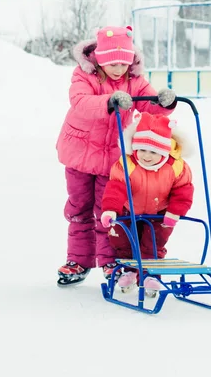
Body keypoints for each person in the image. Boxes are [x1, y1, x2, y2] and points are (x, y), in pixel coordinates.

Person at [56, 25, 177, 286]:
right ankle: (79, 259)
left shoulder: (135, 80)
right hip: (79, 154)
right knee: (79, 209)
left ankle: (111, 260)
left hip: (112, 160)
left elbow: (147, 104)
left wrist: (163, 102)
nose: (119, 69)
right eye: (113, 63)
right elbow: (80, 102)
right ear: (100, 58)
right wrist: (109, 102)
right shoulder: (84, 76)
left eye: (124, 63)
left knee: (108, 210)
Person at [100, 110, 194, 296]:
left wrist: (175, 212)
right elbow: (116, 187)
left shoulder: (176, 166)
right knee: (123, 240)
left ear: (164, 150)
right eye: (142, 149)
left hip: (160, 213)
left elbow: (183, 190)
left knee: (152, 243)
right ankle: (129, 270)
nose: (146, 156)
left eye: (153, 151)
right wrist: (110, 210)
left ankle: (151, 275)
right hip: (128, 210)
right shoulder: (127, 163)